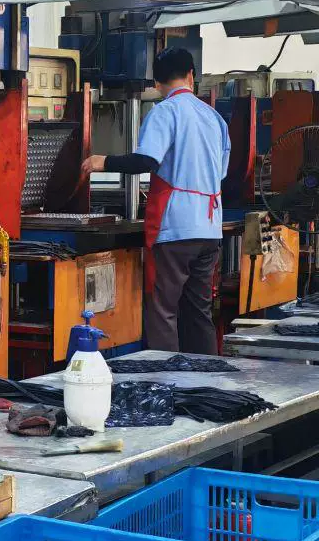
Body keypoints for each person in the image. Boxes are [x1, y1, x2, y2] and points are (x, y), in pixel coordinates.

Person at [84, 46, 231, 354]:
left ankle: (165, 377)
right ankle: (206, 375)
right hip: (209, 229)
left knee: (163, 311)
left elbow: (146, 161)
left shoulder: (165, 112)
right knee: (198, 311)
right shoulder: (215, 118)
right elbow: (220, 173)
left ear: (156, 82)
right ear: (191, 75)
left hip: (175, 230)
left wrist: (102, 161)